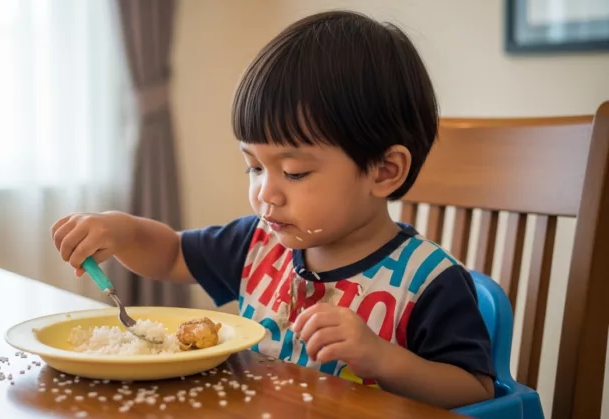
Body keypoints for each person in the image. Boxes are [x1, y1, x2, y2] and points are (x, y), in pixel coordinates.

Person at [51, 10, 495, 409]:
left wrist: (381, 358)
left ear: (384, 171)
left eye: (295, 172)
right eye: (254, 167)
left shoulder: (429, 281)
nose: (266, 192)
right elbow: (170, 255)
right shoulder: (258, 243)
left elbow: (475, 390)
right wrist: (124, 232)